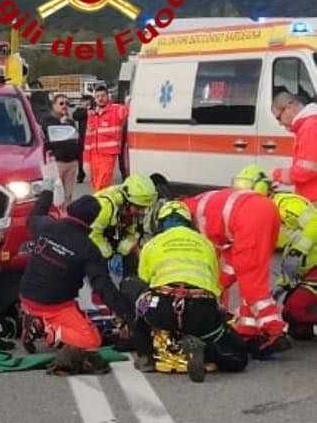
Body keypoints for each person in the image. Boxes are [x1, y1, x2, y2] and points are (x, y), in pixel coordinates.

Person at [18, 191, 135, 374]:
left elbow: (34, 215)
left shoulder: (46, 225)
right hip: (56, 306)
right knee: (91, 340)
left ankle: (36, 318)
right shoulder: (88, 248)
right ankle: (45, 327)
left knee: (81, 322)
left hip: (26, 294)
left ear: (70, 210)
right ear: (92, 221)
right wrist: (126, 312)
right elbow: (102, 285)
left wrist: (47, 193)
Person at [131, 200, 248, 380]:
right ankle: (205, 349)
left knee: (136, 298)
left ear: (159, 223)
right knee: (238, 357)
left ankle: (145, 357)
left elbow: (145, 279)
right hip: (201, 312)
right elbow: (214, 281)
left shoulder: (152, 244)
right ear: (189, 222)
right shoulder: (206, 243)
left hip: (162, 310)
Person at [184, 183, 287, 353]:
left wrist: (213, 293)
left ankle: (274, 330)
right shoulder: (200, 203)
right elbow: (230, 263)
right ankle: (249, 331)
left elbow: (210, 265)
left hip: (249, 217)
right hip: (265, 210)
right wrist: (220, 285)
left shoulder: (196, 220)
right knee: (249, 275)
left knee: (251, 281)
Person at [234, 163, 317, 338]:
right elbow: (289, 256)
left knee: (297, 308)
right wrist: (282, 284)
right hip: (308, 268)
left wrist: (297, 251)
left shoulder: (285, 204)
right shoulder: (258, 211)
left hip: (313, 266)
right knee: (293, 321)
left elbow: (315, 222)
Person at [89, 173, 158, 259]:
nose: (142, 212)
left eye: (144, 208)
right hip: (85, 238)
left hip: (105, 234)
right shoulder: (105, 208)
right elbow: (93, 236)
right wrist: (109, 255)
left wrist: (122, 253)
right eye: (138, 207)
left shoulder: (129, 206)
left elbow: (132, 235)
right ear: (126, 201)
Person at [270, 91, 317, 201]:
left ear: (289, 107)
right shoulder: (309, 124)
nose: (280, 123)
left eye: (278, 118)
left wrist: (278, 174)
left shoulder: (310, 127)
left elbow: (306, 170)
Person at [82, 83, 127, 191]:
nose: (100, 98)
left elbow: (130, 111)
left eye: (103, 96)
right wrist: (86, 160)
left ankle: (100, 201)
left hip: (108, 155)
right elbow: (88, 139)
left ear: (108, 96)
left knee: (103, 185)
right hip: (93, 155)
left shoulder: (116, 110)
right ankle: (97, 201)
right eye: (97, 96)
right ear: (94, 99)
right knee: (95, 185)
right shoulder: (92, 114)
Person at [45, 93, 82, 201]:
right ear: (54, 105)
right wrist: (60, 124)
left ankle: (66, 211)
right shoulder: (48, 121)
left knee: (68, 196)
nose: (64, 106)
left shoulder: (70, 121)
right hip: (56, 163)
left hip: (71, 162)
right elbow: (48, 141)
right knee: (55, 196)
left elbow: (76, 139)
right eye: (61, 103)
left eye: (67, 103)